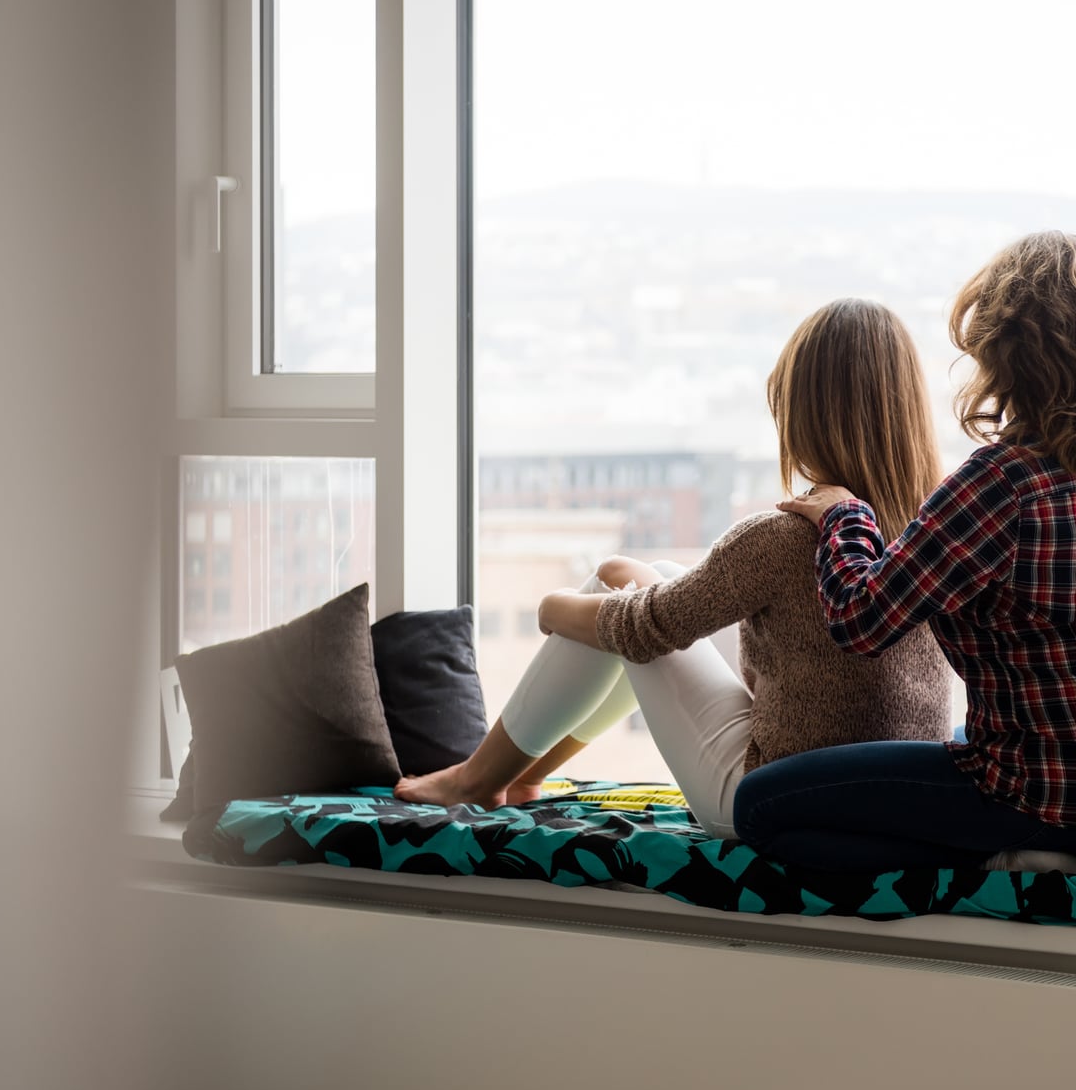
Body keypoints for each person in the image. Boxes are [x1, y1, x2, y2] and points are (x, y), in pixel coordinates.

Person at [395, 298, 952, 835]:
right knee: (648, 574)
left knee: (629, 604)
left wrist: (551, 608)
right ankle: (522, 775)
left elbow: (644, 631)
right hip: (899, 799)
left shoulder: (785, 538)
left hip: (774, 799)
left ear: (802, 414)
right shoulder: (933, 536)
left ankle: (477, 777)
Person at [737, 232, 1076, 872]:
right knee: (949, 744)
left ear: (1004, 349)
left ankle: (998, 864)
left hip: (1046, 795)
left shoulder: (1001, 481)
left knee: (759, 807)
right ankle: (1039, 848)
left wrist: (845, 514)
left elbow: (860, 619)